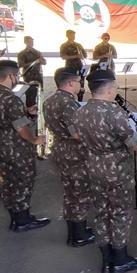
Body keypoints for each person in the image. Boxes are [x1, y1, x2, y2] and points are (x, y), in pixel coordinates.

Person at [70, 69, 137, 273]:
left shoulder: (79, 111)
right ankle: (120, 258)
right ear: (110, 89)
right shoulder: (114, 113)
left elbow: (76, 135)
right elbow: (135, 146)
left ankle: (106, 260)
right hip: (117, 170)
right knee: (120, 213)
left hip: (93, 167)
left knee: (101, 213)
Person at [0, 60, 49, 232]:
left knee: (9, 180)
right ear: (10, 75)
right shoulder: (11, 99)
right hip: (15, 146)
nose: (18, 78)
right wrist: (34, 140)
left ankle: (16, 217)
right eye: (17, 75)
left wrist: (25, 112)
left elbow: (0, 115)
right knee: (23, 181)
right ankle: (23, 220)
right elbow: (20, 128)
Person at [42, 68, 94, 248]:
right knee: (79, 193)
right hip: (73, 152)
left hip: (59, 149)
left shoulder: (49, 101)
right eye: (79, 82)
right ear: (71, 83)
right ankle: (79, 235)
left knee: (70, 191)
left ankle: (74, 231)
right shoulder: (68, 104)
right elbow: (77, 134)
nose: (81, 85)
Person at [59, 29, 87, 100]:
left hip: (80, 67)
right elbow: (63, 56)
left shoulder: (78, 45)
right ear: (67, 36)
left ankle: (80, 101)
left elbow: (85, 55)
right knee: (70, 85)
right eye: (71, 35)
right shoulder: (64, 45)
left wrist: (82, 55)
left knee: (81, 85)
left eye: (74, 35)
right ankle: (70, 101)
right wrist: (75, 56)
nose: (73, 36)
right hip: (70, 67)